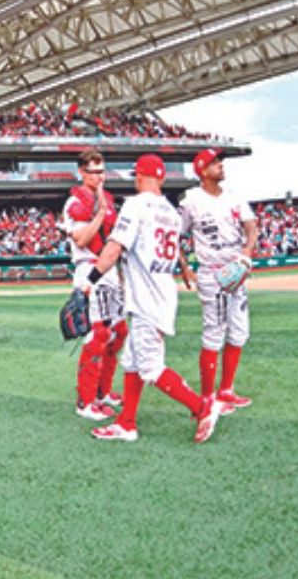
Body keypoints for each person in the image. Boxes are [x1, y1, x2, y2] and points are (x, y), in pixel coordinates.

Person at [80, 154, 224, 444]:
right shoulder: (170, 212)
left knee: (150, 368)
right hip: (161, 292)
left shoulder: (135, 205)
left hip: (147, 299)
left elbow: (113, 249)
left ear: (139, 176)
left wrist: (89, 281)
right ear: (160, 177)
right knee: (132, 362)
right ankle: (126, 423)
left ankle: (201, 406)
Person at [179, 148, 258, 410]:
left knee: (238, 332)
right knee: (214, 332)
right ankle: (207, 397)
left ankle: (226, 390)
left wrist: (246, 252)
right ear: (202, 170)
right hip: (212, 272)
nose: (221, 165)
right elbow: (176, 235)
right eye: (215, 163)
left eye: (220, 161)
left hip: (236, 269)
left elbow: (251, 226)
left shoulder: (235, 197)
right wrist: (185, 266)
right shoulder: (191, 200)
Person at [63, 149, 128, 421]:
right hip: (89, 267)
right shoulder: (74, 203)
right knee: (97, 335)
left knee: (119, 331)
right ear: (82, 172)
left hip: (111, 269)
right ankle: (85, 401)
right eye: (93, 171)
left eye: (102, 171)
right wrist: (100, 214)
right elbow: (81, 239)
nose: (99, 177)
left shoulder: (109, 199)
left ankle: (103, 392)